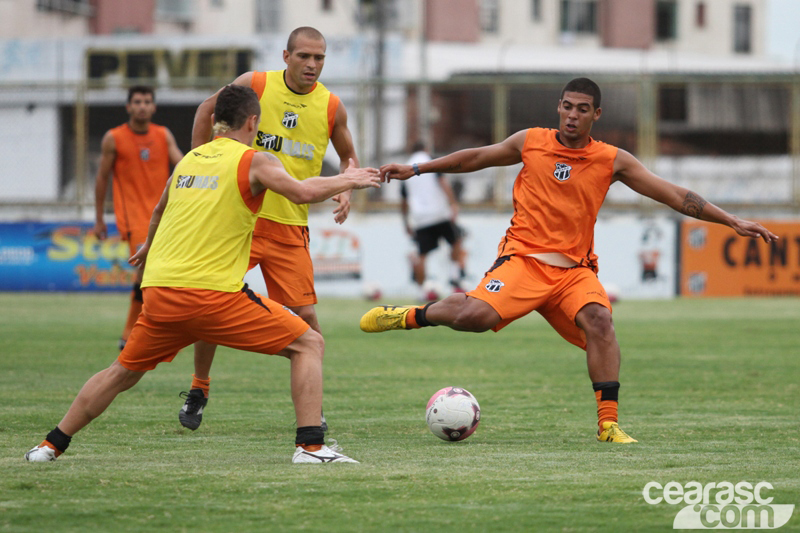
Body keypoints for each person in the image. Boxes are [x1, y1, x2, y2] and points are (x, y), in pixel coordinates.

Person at [361, 77, 778, 443]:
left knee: (601, 320)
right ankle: (411, 315)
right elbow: (474, 158)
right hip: (523, 260)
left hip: (573, 272)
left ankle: (609, 424)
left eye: (582, 109)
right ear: (558, 108)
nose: (572, 116)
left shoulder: (612, 160)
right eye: (566, 107)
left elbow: (673, 194)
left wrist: (731, 220)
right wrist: (416, 169)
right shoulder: (531, 142)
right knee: (474, 317)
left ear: (597, 114)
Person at [25, 85, 380, 464]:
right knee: (308, 344)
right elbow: (301, 192)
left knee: (121, 372)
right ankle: (310, 447)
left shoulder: (189, 162)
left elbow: (160, 210)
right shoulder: (254, 160)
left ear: (214, 121)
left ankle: (50, 445)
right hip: (211, 296)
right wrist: (349, 180)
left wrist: (148, 246)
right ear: (253, 122)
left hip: (161, 293)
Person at [179, 26, 359, 431]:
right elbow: (206, 110)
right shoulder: (255, 84)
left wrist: (348, 189)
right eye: (304, 57)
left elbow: (349, 156)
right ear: (286, 56)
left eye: (319, 58)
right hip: (241, 220)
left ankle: (314, 405)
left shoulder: (332, 106)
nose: (312, 65)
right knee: (212, 303)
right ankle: (199, 387)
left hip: (290, 226)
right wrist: (198, 158)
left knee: (307, 318)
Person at [93, 86, 183, 351]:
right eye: (137, 102)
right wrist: (99, 219)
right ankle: (130, 332)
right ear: (128, 107)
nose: (142, 106)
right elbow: (101, 178)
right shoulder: (114, 138)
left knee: (158, 275)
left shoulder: (163, 135)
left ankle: (148, 330)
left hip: (164, 216)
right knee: (146, 272)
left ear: (153, 107)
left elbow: (182, 164)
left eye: (147, 101)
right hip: (132, 218)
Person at [401, 141, 467, 301]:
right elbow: (443, 183)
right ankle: (455, 279)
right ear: (426, 149)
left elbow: (403, 200)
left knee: (422, 254)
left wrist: (406, 222)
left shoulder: (404, 168)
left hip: (420, 217)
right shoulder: (430, 161)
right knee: (456, 241)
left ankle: (421, 292)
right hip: (439, 213)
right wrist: (453, 204)